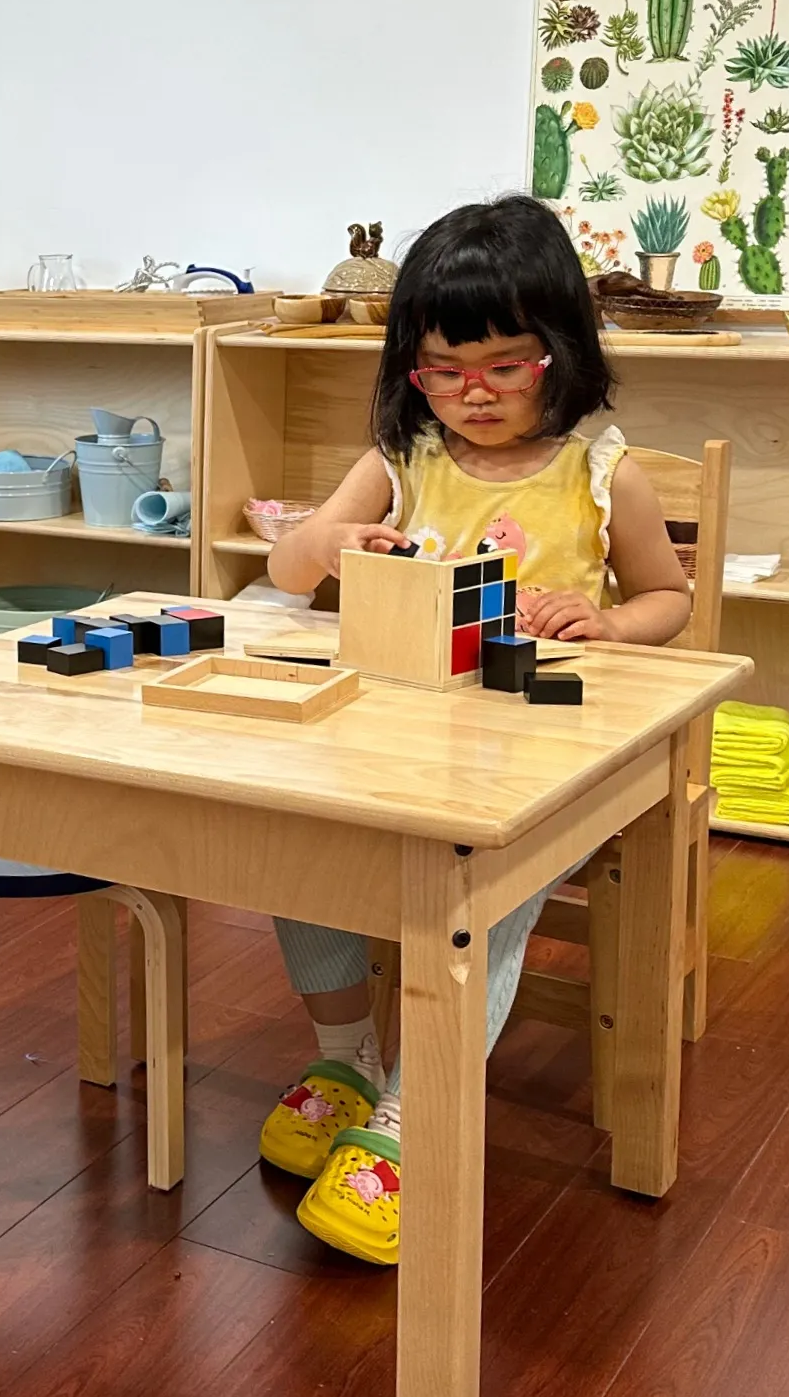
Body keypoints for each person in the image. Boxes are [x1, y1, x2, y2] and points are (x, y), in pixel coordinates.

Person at [257, 195, 690, 1263]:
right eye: (443, 369)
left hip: (538, 761)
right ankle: (346, 1054)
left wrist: (608, 620)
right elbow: (284, 571)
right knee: (291, 844)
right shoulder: (404, 455)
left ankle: (410, 1115)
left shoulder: (601, 469)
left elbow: (667, 599)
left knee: (477, 897)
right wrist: (326, 536)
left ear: (561, 352)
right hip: (398, 739)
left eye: (504, 366)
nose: (473, 395)